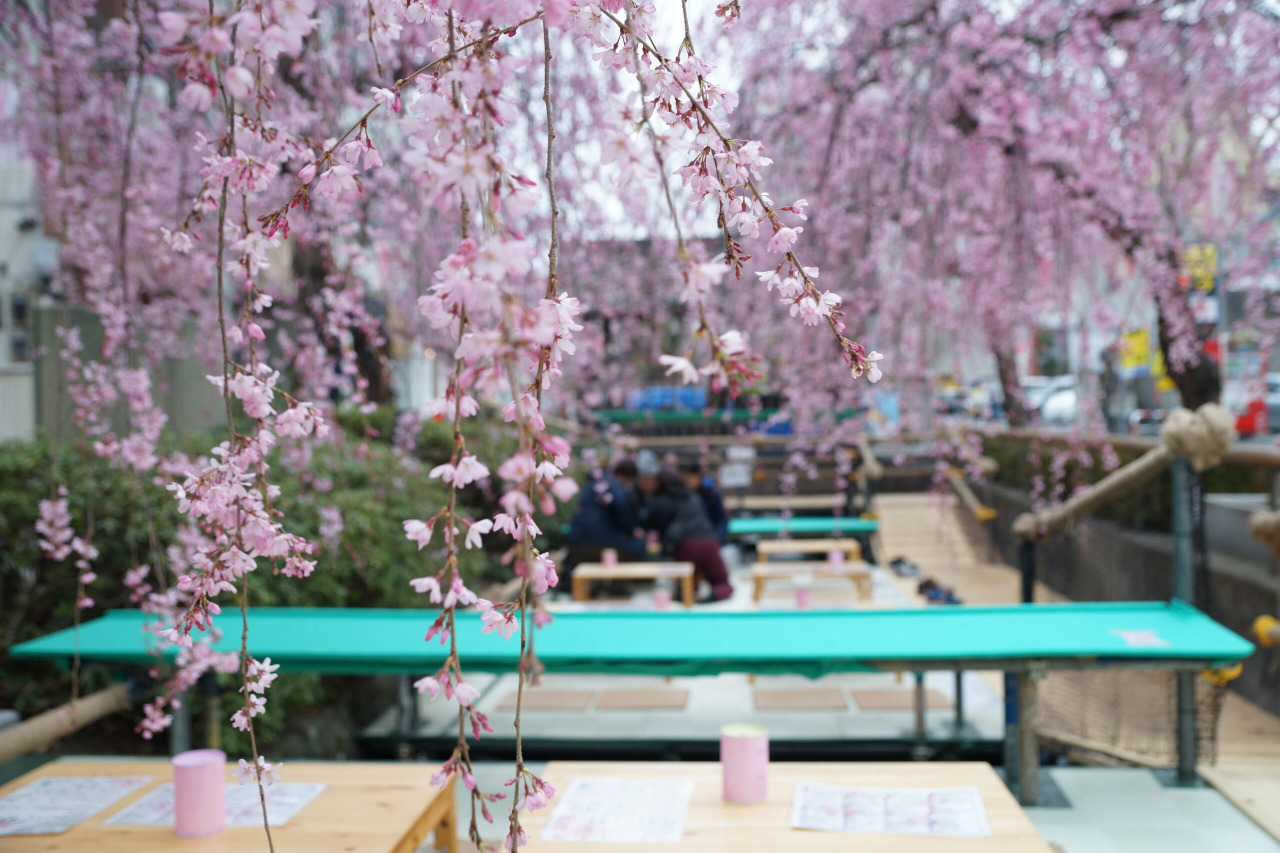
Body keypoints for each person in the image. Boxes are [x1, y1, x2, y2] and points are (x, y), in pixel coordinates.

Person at [639, 468, 734, 602]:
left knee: (686, 587)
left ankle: (686, 595)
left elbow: (651, 526)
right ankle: (712, 596)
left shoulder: (662, 502)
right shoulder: (693, 496)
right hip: (710, 542)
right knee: (722, 584)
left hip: (687, 546)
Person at [562, 459, 646, 576]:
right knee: (638, 547)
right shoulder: (618, 488)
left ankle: (603, 586)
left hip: (576, 539)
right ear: (629, 477)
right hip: (601, 541)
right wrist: (633, 530)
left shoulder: (592, 484)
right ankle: (614, 585)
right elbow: (625, 517)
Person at [682, 459, 728, 545]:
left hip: (710, 539)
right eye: (685, 477)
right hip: (688, 542)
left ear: (699, 476)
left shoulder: (711, 494)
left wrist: (717, 540)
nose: (687, 481)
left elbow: (721, 520)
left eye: (690, 477)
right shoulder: (682, 496)